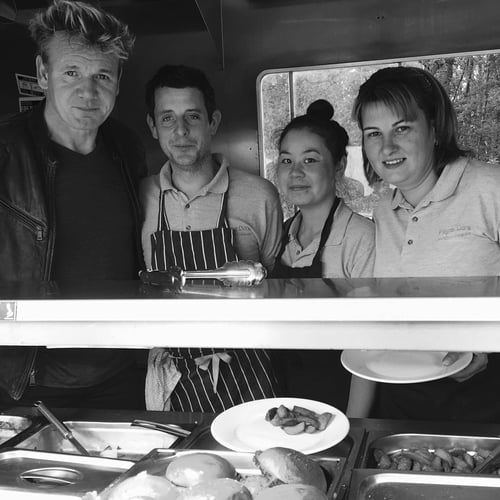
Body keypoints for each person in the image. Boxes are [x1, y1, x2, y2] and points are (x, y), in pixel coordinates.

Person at [0, 0, 147, 410]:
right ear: (43, 74)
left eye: (102, 75)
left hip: (121, 372)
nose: (88, 91)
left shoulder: (127, 148)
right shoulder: (5, 151)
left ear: (118, 82)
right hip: (23, 384)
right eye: (71, 72)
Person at [348, 65, 500, 422]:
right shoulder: (384, 209)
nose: (387, 146)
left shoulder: (489, 189)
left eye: (402, 128)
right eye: (373, 133)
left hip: (485, 402)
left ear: (434, 128)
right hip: (400, 402)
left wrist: (487, 347)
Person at [140, 64, 283, 412]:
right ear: (153, 126)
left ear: (213, 121)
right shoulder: (141, 196)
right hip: (173, 378)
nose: (181, 131)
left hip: (247, 373)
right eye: (168, 118)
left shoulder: (260, 195)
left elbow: (275, 288)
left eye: (192, 116)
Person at [271, 100, 375, 410]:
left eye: (310, 160)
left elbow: (368, 344)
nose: (296, 172)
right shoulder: (280, 235)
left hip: (341, 399)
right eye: (287, 160)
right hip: (282, 396)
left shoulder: (360, 238)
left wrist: (355, 426)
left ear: (339, 166)